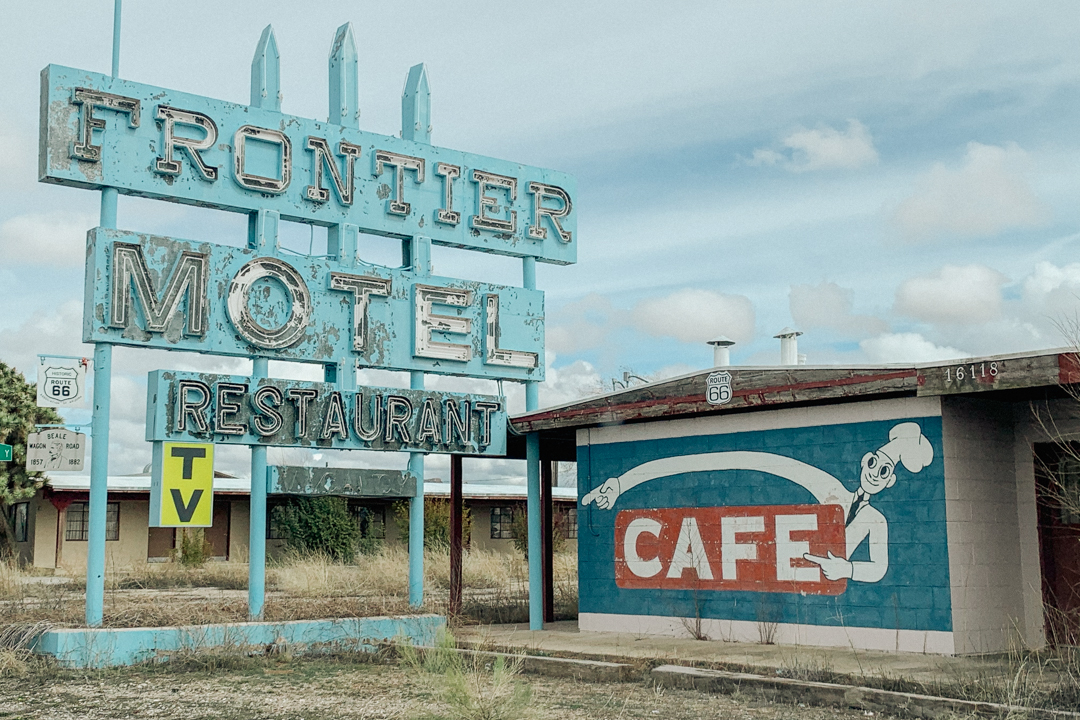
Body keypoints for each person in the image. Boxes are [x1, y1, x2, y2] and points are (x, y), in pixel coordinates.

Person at [581, 422, 934, 584]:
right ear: (864, 460)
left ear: (890, 480)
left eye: (883, 469)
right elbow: (739, 458)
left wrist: (849, 570)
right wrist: (621, 482)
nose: (874, 470)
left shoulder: (877, 522)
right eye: (872, 461)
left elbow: (880, 568)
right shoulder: (830, 489)